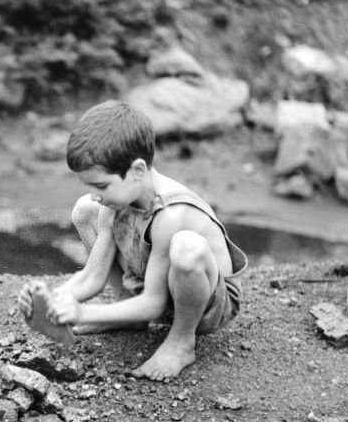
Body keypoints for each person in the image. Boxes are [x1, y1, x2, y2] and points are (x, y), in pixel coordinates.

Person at [18, 99, 247, 381]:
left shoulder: (172, 214)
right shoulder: (115, 202)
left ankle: (181, 340)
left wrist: (82, 312)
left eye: (101, 185)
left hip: (208, 304)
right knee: (84, 210)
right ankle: (128, 313)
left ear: (137, 170)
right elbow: (92, 276)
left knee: (187, 248)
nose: (95, 193)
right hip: (156, 285)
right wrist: (50, 301)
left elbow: (154, 303)